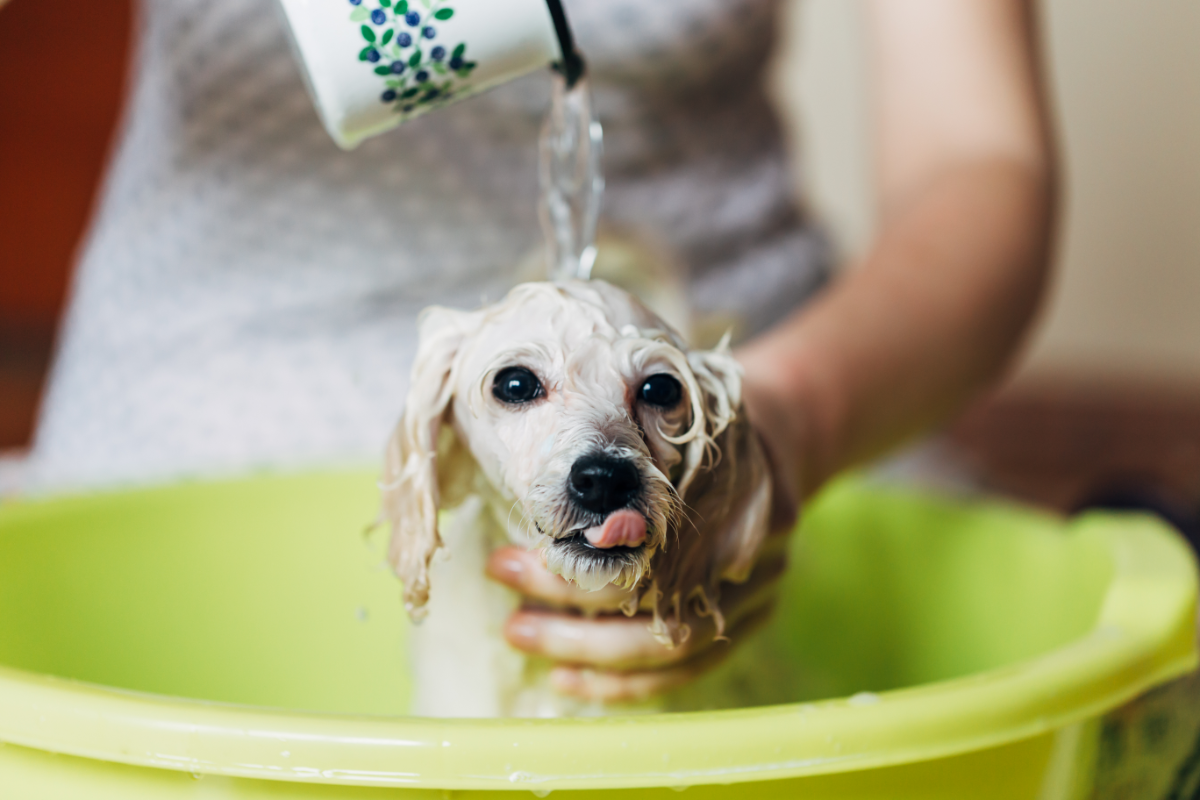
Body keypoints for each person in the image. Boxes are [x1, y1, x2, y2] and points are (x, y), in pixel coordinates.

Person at [17, 0, 1052, 698]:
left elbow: (980, 156)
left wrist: (789, 418)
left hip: (786, 387)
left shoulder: (744, 419)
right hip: (207, 409)